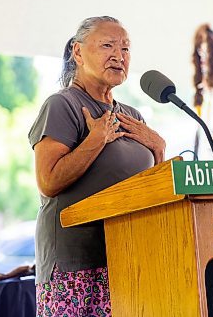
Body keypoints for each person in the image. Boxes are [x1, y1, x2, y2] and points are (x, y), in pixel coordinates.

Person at [28, 16, 166, 317]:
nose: (119, 56)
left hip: (127, 260)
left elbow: (152, 192)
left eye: (126, 49)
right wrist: (96, 139)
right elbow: (48, 181)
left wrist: (158, 148)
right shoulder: (62, 106)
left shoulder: (132, 116)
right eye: (107, 45)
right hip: (76, 269)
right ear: (77, 52)